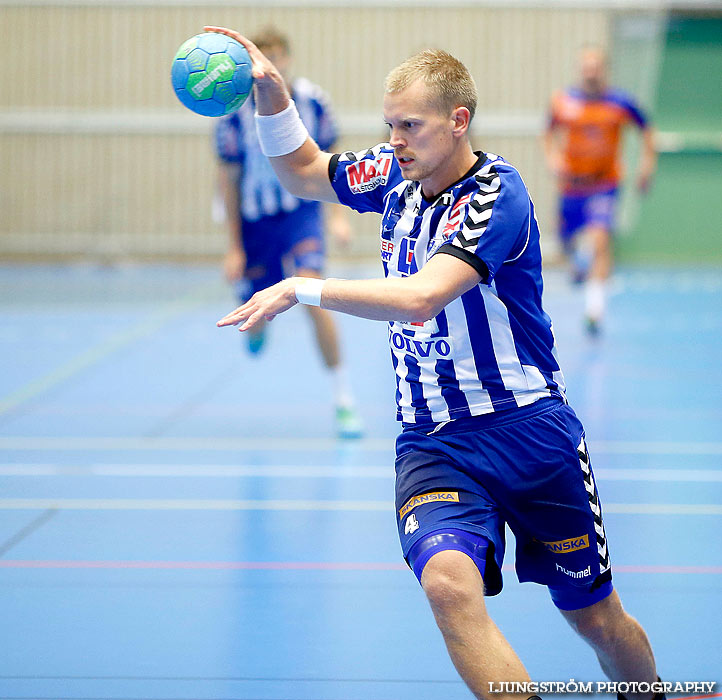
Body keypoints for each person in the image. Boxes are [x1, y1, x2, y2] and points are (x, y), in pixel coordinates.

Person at [211, 26, 663, 700]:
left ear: (459, 122)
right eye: (390, 124)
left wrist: (302, 287)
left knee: (594, 617)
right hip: (433, 442)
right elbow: (301, 171)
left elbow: (421, 295)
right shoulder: (395, 171)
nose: (395, 139)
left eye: (410, 126)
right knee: (449, 586)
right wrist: (272, 99)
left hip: (529, 431)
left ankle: (649, 691)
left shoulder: (496, 195)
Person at [214, 27, 362, 439]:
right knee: (255, 315)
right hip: (256, 221)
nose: (273, 62)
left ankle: (344, 399)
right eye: (265, 55)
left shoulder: (313, 101)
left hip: (301, 214)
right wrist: (233, 247)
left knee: (315, 295)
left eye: (279, 55)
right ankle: (259, 326)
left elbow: (333, 161)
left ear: (288, 59)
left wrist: (338, 216)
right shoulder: (231, 112)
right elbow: (228, 178)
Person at [543, 45, 656, 335]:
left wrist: (646, 164)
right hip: (572, 185)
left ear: (604, 70)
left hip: (604, 184)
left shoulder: (620, 102)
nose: (591, 73)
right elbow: (549, 130)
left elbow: (646, 128)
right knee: (565, 241)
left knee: (600, 239)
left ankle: (595, 309)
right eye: (586, 68)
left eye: (596, 68)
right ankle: (578, 264)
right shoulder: (564, 101)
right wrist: (552, 157)